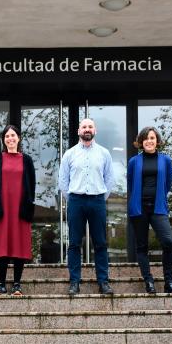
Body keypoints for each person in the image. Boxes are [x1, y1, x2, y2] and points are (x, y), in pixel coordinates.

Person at [58, 118, 114, 295]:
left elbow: (110, 180)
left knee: (101, 243)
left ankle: (103, 282)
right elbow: (63, 182)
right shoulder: (70, 154)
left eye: (90, 126)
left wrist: (99, 197)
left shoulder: (104, 154)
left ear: (95, 130)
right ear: (78, 131)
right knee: (74, 243)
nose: (87, 129)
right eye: (84, 127)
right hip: (76, 200)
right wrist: (73, 197)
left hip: (97, 200)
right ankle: (74, 282)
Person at [127, 127, 172, 295]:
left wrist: (157, 197)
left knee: (169, 242)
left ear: (157, 140)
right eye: (145, 138)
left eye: (152, 138)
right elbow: (131, 184)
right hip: (139, 208)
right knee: (142, 246)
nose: (149, 141)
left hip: (158, 207)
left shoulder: (165, 160)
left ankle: (169, 282)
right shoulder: (134, 162)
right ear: (141, 142)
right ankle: (149, 281)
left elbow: (168, 183)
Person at [0, 124, 36, 296]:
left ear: (19, 138)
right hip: (2, 208)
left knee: (19, 245)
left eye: (13, 135)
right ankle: (1, 284)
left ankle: (17, 284)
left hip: (20, 209)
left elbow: (32, 184)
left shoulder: (27, 160)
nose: (10, 138)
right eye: (7, 136)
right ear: (4, 140)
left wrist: (29, 204)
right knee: (2, 245)